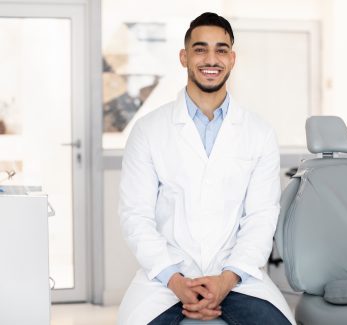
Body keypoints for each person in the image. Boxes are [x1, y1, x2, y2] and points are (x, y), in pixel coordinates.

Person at [118, 12, 295, 325]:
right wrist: (175, 281)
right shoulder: (148, 130)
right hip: (166, 278)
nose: (211, 59)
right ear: (184, 57)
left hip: (238, 277)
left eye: (221, 50)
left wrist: (225, 281)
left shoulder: (259, 132)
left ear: (232, 58)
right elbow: (136, 216)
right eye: (200, 49)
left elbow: (261, 217)